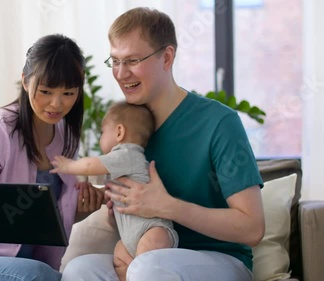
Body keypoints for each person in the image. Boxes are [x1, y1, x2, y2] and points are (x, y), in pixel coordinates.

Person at [61, 7, 265, 281]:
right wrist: (119, 214)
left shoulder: (219, 122)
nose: (121, 74)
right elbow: (136, 220)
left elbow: (252, 228)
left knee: (151, 268)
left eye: (132, 60)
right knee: (80, 269)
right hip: (147, 254)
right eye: (115, 61)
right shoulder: (125, 128)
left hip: (220, 261)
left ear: (167, 57)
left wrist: (167, 205)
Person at [0, 34, 104, 281]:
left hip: (26, 265)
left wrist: (81, 209)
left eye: (68, 93)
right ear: (25, 81)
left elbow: (45, 216)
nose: (56, 104)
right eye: (45, 91)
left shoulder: (67, 134)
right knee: (40, 276)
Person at [51, 101, 178, 281]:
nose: (101, 138)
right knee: (119, 255)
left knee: (145, 266)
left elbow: (90, 165)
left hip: (153, 230)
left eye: (103, 132)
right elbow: (114, 193)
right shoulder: (125, 165)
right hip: (130, 238)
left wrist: (69, 165)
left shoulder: (127, 153)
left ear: (119, 132)